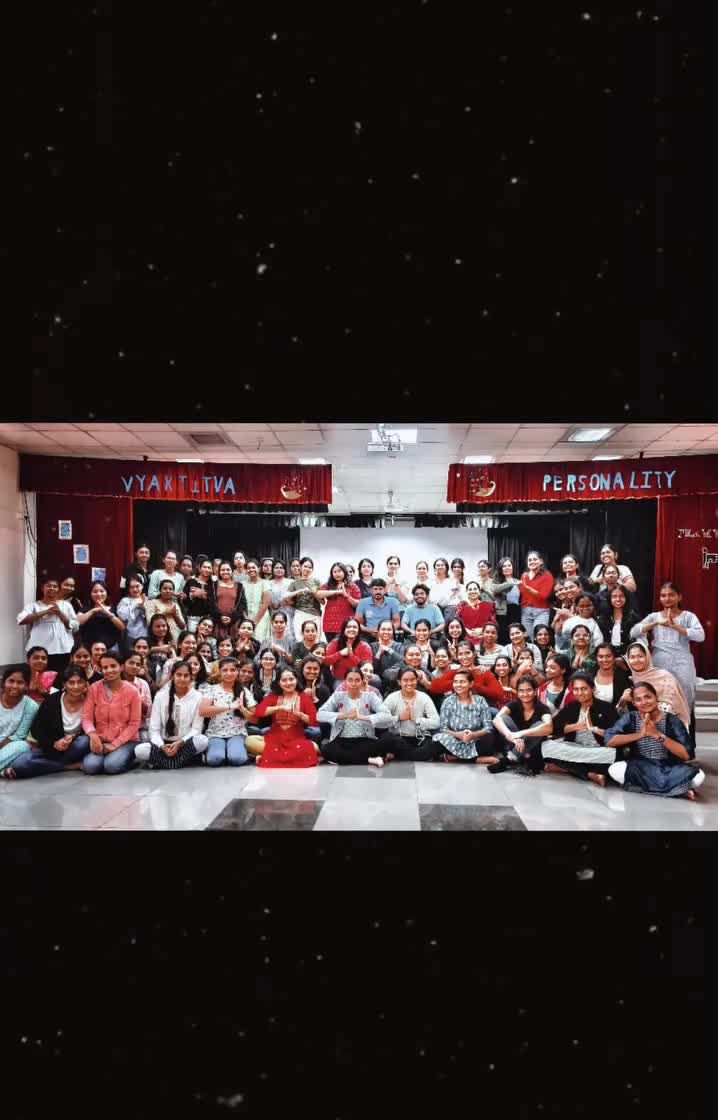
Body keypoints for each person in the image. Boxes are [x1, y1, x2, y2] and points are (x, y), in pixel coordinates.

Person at [605, 682, 705, 799]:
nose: (644, 702)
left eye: (647, 697)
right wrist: (640, 734)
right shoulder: (630, 717)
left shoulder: (672, 720)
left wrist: (657, 734)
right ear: (634, 703)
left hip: (668, 767)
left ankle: (642, 787)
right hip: (640, 767)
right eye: (638, 699)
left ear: (656, 697)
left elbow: (686, 755)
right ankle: (677, 790)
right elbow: (610, 740)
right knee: (615, 769)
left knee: (699, 777)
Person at [630, 582, 705, 721]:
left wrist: (675, 626)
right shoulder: (654, 616)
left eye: (671, 595)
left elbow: (700, 636)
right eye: (663, 596)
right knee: (661, 695)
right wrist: (655, 623)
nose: (667, 598)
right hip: (660, 662)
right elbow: (633, 632)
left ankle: (684, 727)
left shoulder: (688, 616)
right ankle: (661, 727)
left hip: (682, 662)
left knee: (685, 694)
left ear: (679, 597)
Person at [6, 664, 92, 780]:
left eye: (80, 682)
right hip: (51, 749)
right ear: (64, 684)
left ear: (85, 684)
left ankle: (48, 765)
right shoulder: (52, 700)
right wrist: (54, 743)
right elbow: (36, 729)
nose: (76, 686)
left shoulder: (90, 701)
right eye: (71, 682)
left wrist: (73, 737)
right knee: (19, 764)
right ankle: (67, 766)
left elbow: (93, 728)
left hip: (75, 748)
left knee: (84, 741)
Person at [541, 671, 618, 785]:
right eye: (576, 689)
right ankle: (590, 774)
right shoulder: (572, 707)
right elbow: (554, 728)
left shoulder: (606, 707)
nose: (580, 693)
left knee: (612, 755)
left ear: (593, 689)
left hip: (598, 750)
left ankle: (567, 768)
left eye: (584, 689)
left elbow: (616, 734)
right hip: (575, 748)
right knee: (546, 746)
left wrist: (593, 728)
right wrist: (576, 726)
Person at [136, 660, 209, 769]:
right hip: (163, 744)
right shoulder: (160, 696)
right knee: (139, 750)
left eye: (186, 675)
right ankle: (181, 761)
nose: (182, 679)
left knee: (203, 740)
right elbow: (154, 729)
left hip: (184, 744)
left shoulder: (197, 697)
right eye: (178, 675)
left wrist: (180, 743)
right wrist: (162, 746)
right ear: (172, 676)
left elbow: (196, 729)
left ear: (191, 678)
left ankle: (165, 762)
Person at [80, 652, 141, 775]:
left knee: (112, 766)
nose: (109, 670)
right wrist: (93, 735)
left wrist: (114, 745)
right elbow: (86, 718)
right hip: (101, 740)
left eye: (113, 666)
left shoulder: (133, 691)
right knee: (90, 767)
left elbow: (134, 724)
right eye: (105, 667)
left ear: (121, 667)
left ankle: (132, 761)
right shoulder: (94, 688)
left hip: (127, 741)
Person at [246, 668, 319, 768]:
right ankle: (285, 757)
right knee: (250, 741)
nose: (288, 683)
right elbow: (259, 712)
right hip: (274, 739)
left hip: (296, 740)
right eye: (284, 680)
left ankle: (268, 756)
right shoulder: (274, 696)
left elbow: (313, 720)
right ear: (279, 682)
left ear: (296, 680)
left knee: (314, 747)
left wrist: (300, 714)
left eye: (291, 679)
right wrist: (279, 708)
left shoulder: (303, 697)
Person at [317, 668, 391, 766]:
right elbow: (320, 715)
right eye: (350, 680)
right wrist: (344, 715)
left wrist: (363, 717)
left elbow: (387, 715)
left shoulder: (371, 696)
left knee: (383, 744)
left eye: (357, 680)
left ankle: (342, 760)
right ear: (345, 682)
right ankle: (369, 759)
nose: (353, 683)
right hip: (342, 740)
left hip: (364, 739)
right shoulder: (338, 696)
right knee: (326, 750)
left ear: (362, 681)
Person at [489, 676, 554, 775]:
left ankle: (510, 759)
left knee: (541, 725)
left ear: (535, 691)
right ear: (518, 692)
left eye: (529, 690)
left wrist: (521, 733)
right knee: (503, 718)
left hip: (533, 749)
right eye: (521, 691)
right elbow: (496, 719)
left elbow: (549, 727)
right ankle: (522, 756)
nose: (525, 694)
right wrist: (511, 736)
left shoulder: (542, 708)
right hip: (514, 744)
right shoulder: (514, 704)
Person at [432, 670, 499, 763]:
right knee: (438, 739)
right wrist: (458, 735)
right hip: (454, 740)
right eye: (455, 682)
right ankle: (476, 759)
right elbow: (443, 728)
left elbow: (488, 727)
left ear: (471, 684)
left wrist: (474, 735)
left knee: (489, 737)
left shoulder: (480, 700)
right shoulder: (448, 701)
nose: (458, 685)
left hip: (476, 740)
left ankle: (456, 757)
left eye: (462, 682)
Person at [18, 576, 79, 673]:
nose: (52, 588)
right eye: (48, 586)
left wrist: (60, 613)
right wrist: (45, 612)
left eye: (55, 586)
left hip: (62, 649)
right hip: (39, 650)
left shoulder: (66, 605)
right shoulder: (33, 605)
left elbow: (75, 626)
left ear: (58, 589)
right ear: (42, 588)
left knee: (60, 676)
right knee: (38, 675)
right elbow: (21, 620)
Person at [198, 657, 252, 766]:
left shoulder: (244, 691)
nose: (229, 673)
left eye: (232, 670)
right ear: (220, 671)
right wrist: (230, 706)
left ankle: (236, 751)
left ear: (237, 671)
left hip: (237, 733)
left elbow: (254, 718)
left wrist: (244, 710)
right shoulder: (212, 689)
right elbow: (203, 711)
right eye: (225, 670)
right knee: (215, 760)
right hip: (216, 733)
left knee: (237, 759)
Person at [624, 640, 691, 729]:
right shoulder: (629, 680)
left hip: (667, 727)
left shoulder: (664, 676)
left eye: (640, 656)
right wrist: (623, 701)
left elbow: (671, 708)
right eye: (632, 657)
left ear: (647, 657)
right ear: (628, 660)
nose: (636, 660)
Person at [379, 668, 442, 762]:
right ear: (399, 682)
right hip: (398, 738)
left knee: (435, 745)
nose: (409, 683)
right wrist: (399, 717)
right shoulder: (392, 697)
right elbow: (380, 721)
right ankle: (416, 755)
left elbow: (436, 722)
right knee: (388, 739)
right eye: (405, 680)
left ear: (417, 680)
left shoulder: (424, 697)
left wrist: (416, 719)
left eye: (412, 680)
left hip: (419, 739)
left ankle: (400, 755)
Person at [428, 641, 506, 708]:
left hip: (482, 710)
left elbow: (500, 695)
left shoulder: (482, 672)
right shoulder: (454, 672)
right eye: (460, 654)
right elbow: (434, 688)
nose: (464, 657)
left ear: (474, 654)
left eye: (467, 653)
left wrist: (476, 686)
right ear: (457, 656)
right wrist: (458, 682)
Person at [0, 666, 40, 779]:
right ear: (4, 683)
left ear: (26, 686)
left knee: (23, 746)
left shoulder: (31, 706)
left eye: (20, 682)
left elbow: (19, 735)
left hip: (10, 746)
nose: (14, 686)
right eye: (11, 681)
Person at [76, 581, 126, 652]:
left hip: (111, 648)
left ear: (106, 592)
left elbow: (122, 627)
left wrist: (109, 614)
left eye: (102, 591)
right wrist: (93, 611)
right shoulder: (85, 609)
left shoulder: (114, 609)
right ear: (90, 594)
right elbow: (77, 622)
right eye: (95, 592)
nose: (99, 594)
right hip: (89, 648)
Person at [317, 562, 361, 642]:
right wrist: (338, 592)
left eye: (339, 571)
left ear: (344, 572)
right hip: (329, 622)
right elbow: (319, 594)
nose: (337, 574)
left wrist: (347, 596)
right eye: (335, 572)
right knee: (331, 646)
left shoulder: (352, 586)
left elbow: (357, 604)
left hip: (346, 623)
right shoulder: (328, 585)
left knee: (343, 646)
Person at [284, 557, 323, 641]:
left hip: (315, 614)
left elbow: (323, 602)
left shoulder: (316, 581)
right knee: (300, 639)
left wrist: (314, 593)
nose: (307, 569)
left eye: (310, 567)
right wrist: (299, 591)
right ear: (300, 567)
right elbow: (286, 597)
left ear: (312, 569)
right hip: (300, 614)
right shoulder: (294, 583)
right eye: (305, 566)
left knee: (315, 641)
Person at [598, 585, 642, 659]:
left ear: (626, 598)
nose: (618, 599)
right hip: (606, 658)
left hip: (629, 658)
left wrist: (624, 659)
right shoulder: (603, 618)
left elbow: (639, 640)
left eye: (621, 596)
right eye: (614, 596)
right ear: (609, 598)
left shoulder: (634, 617)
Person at [325, 618, 373, 683]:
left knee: (376, 680)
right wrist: (340, 653)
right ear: (344, 629)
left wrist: (352, 656)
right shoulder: (335, 643)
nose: (351, 629)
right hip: (340, 679)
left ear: (358, 630)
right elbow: (326, 662)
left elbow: (367, 667)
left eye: (354, 627)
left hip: (360, 679)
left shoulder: (365, 646)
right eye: (348, 627)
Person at [519, 550, 554, 640]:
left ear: (541, 561)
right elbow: (522, 593)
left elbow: (544, 596)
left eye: (535, 559)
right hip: (525, 611)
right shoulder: (524, 575)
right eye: (530, 560)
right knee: (527, 639)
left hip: (541, 612)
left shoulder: (547, 575)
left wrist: (527, 587)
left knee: (540, 638)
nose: (532, 562)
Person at [487, 557, 522, 645]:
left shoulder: (517, 581)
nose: (507, 568)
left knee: (515, 635)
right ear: (500, 568)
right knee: (503, 636)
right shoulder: (497, 581)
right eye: (504, 566)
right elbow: (495, 589)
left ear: (512, 567)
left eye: (509, 565)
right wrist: (510, 583)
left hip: (516, 611)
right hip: (502, 613)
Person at [213, 561, 248, 642]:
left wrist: (232, 618)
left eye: (228, 570)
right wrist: (219, 617)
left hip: (234, 622)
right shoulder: (213, 585)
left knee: (233, 644)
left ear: (232, 571)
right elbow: (211, 603)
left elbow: (242, 605)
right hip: (217, 621)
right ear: (219, 571)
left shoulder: (239, 586)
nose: (225, 572)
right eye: (223, 570)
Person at [145, 578, 186, 645]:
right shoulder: (152, 603)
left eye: (170, 589)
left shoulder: (175, 605)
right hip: (156, 637)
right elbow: (150, 621)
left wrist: (174, 615)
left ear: (173, 592)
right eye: (165, 588)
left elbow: (182, 626)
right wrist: (166, 612)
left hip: (173, 636)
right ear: (160, 590)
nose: (168, 591)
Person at [121, 650, 153, 739]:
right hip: (119, 728)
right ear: (123, 665)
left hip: (139, 728)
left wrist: (138, 700)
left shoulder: (143, 684)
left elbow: (149, 713)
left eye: (138, 664)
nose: (135, 666)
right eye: (131, 663)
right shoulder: (115, 683)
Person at [181, 558, 217, 634]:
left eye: (209, 568)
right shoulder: (191, 581)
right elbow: (184, 601)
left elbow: (215, 603)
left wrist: (205, 597)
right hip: (193, 618)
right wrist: (193, 596)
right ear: (199, 568)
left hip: (207, 620)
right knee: (192, 638)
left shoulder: (214, 584)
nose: (206, 569)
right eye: (204, 567)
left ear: (212, 570)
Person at [456, 581, 496, 646]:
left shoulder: (489, 606)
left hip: (484, 637)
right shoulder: (461, 606)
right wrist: (469, 632)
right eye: (470, 589)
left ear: (479, 591)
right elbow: (457, 623)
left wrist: (482, 630)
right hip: (466, 638)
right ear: (466, 592)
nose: (473, 591)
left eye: (475, 589)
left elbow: (493, 624)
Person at [242, 558, 272, 643]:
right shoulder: (243, 584)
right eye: (248, 568)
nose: (251, 570)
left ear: (258, 568)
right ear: (246, 570)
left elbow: (266, 604)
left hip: (261, 618)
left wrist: (255, 622)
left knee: (259, 641)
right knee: (246, 641)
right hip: (246, 617)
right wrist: (246, 619)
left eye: (253, 567)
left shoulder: (265, 583)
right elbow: (241, 603)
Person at [116, 576, 149, 652]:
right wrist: (136, 605)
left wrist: (144, 608)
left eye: (137, 586)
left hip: (146, 634)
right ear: (128, 589)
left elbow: (152, 618)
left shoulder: (148, 600)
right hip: (130, 635)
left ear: (142, 586)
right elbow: (123, 616)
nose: (135, 589)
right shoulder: (125, 601)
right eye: (132, 587)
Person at [147, 615, 176, 692]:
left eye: (163, 626)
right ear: (151, 628)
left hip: (166, 683)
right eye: (158, 626)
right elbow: (141, 653)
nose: (161, 629)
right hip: (149, 680)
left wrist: (171, 650)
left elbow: (175, 662)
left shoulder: (171, 642)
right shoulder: (146, 642)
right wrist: (161, 648)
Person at [268, 560, 294, 633]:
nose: (279, 570)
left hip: (289, 613)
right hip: (274, 613)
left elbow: (297, 600)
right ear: (272, 569)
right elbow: (265, 600)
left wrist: (289, 603)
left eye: (281, 568)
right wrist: (271, 605)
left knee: (288, 634)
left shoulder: (291, 582)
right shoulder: (268, 583)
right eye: (276, 568)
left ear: (285, 570)